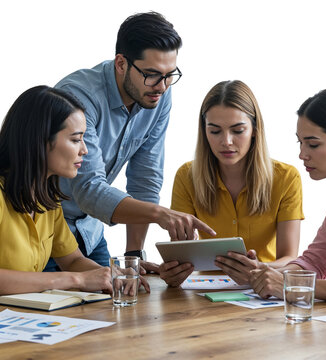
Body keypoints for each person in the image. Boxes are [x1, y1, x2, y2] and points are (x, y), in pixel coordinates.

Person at [45, 12, 215, 272]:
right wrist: (161, 215)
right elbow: (89, 188)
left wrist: (133, 255)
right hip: (45, 228)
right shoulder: (78, 97)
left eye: (170, 75)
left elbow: (145, 178)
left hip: (89, 231)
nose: (162, 86)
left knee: (121, 298)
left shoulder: (157, 95)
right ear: (121, 63)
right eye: (152, 74)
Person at [159, 80, 304, 287]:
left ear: (254, 130)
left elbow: (290, 258)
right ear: (204, 131)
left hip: (262, 289)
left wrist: (260, 270)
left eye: (237, 130)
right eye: (215, 131)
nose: (226, 141)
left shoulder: (286, 178)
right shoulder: (186, 176)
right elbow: (182, 254)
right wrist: (174, 271)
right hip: (204, 290)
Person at [0, 85, 118, 295]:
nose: (84, 150)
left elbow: (72, 260)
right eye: (75, 139)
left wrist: (115, 275)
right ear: (40, 141)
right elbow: (74, 273)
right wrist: (76, 280)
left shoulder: (47, 201)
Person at [249, 88, 326, 303]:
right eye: (300, 142)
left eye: (313, 144)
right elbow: (316, 261)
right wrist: (268, 274)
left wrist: (295, 285)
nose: (302, 154)